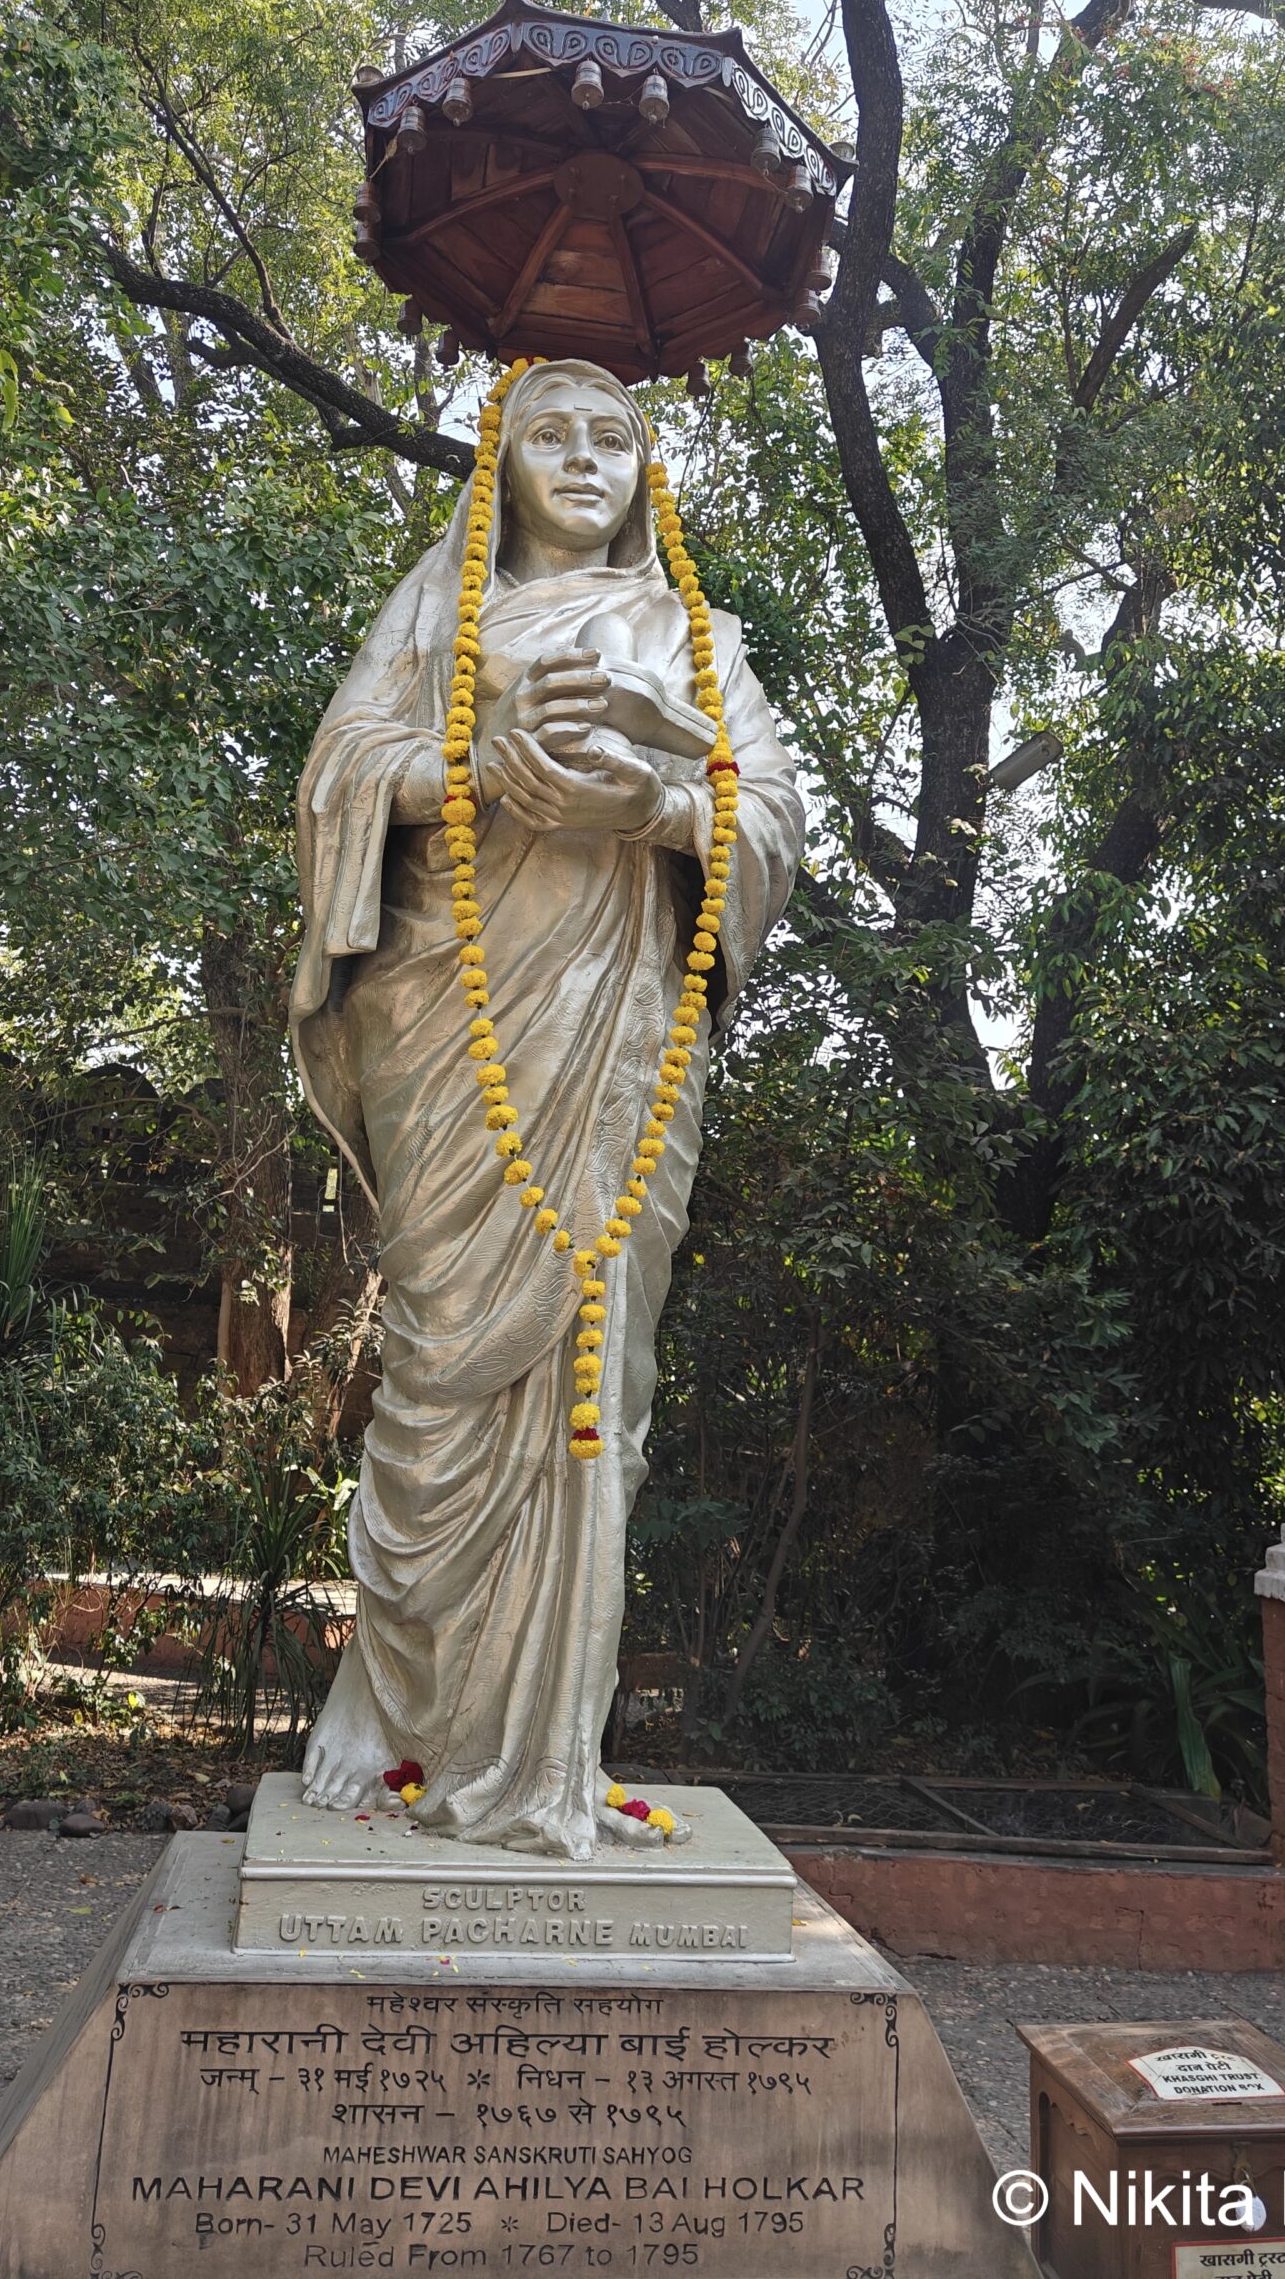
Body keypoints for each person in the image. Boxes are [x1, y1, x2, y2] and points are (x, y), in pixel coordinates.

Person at [289, 358, 803, 1858]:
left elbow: (772, 819)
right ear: (500, 468)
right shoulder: (438, 613)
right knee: (442, 1357)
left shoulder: (696, 639)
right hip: (454, 1027)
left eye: (613, 438)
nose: (584, 460)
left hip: (625, 1042)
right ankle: (395, 1709)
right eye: (551, 436)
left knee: (597, 1373)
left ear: (647, 472)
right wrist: (473, 771)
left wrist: (655, 802)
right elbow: (337, 773)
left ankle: (547, 1756)